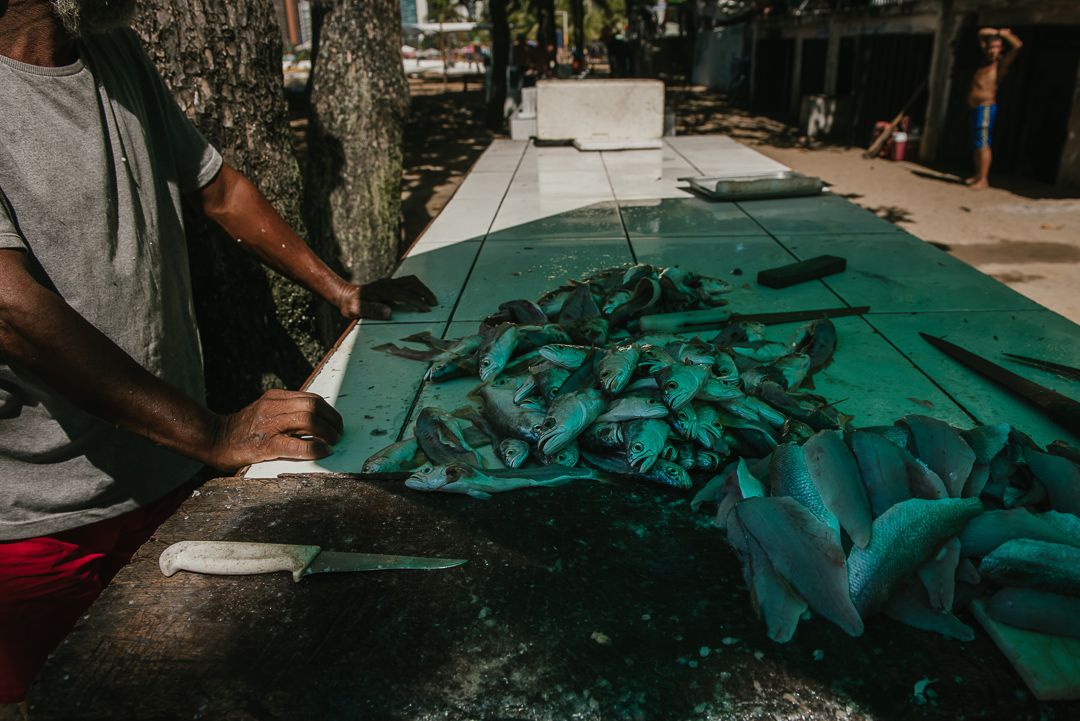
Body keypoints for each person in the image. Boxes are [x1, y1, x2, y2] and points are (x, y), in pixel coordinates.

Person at [0, 0, 436, 711]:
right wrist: (216, 432)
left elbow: (219, 187)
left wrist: (343, 290)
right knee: (49, 703)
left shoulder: (115, 53)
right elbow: (11, 311)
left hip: (163, 469)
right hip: (36, 521)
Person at [966, 27, 1022, 189]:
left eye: (996, 47)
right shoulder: (984, 63)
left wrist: (1006, 35)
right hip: (975, 108)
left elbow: (1018, 46)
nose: (992, 51)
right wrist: (996, 32)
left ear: (1001, 49)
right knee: (977, 144)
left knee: (983, 143)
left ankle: (983, 179)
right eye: (990, 47)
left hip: (986, 108)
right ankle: (977, 175)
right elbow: (981, 33)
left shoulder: (1000, 65)